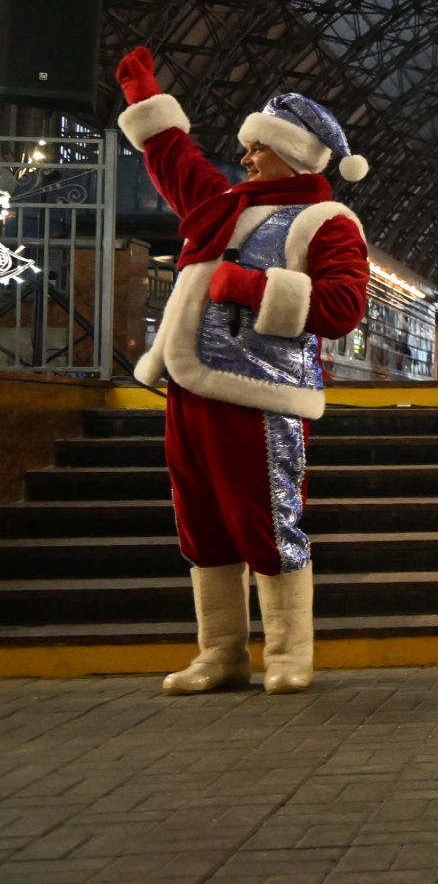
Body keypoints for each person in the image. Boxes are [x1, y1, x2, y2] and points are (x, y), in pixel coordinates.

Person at [113, 47, 370, 695]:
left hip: (262, 393)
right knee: (199, 520)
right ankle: (221, 653)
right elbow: (178, 161)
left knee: (265, 517)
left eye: (257, 147)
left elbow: (343, 307)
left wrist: (249, 286)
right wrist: (144, 95)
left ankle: (288, 651)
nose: (247, 157)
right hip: (188, 383)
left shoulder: (326, 221)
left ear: (293, 153)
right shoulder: (223, 204)